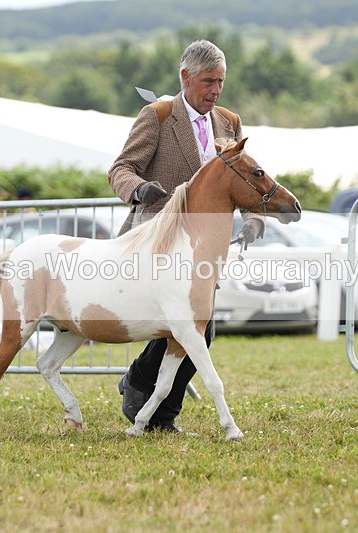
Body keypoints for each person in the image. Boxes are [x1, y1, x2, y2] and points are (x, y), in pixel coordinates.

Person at [108, 39, 264, 432]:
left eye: (221, 82)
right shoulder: (158, 116)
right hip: (157, 240)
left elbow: (240, 176)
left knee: (196, 327)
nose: (215, 90)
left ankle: (140, 386)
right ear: (185, 77)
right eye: (208, 81)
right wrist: (139, 189)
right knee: (195, 326)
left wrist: (252, 217)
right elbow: (121, 168)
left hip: (205, 248)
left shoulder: (229, 121)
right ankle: (156, 409)